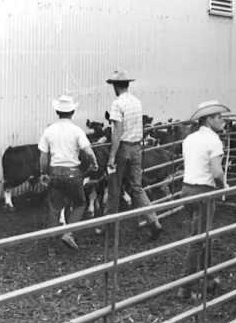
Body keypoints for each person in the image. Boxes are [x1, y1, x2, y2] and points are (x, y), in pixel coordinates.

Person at [177, 100, 230, 300]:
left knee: (202, 235)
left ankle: (209, 279)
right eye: (219, 117)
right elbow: (217, 172)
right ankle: (186, 288)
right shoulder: (214, 141)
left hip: (187, 190)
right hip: (203, 193)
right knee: (198, 241)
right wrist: (224, 186)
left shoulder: (189, 139)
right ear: (209, 120)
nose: (222, 121)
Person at [103, 70, 163, 241]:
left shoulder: (117, 104)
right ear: (127, 84)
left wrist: (112, 156)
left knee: (114, 189)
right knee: (137, 188)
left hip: (122, 149)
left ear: (115, 86)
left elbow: (117, 131)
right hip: (136, 148)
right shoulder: (137, 102)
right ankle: (154, 221)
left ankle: (109, 230)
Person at [38, 95, 98, 251]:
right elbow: (89, 152)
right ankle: (68, 233)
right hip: (73, 174)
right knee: (79, 203)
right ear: (72, 112)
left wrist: (43, 173)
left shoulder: (49, 131)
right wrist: (94, 163)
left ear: (57, 111)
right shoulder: (77, 131)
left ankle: (52, 248)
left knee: (54, 208)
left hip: (55, 173)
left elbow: (44, 157)